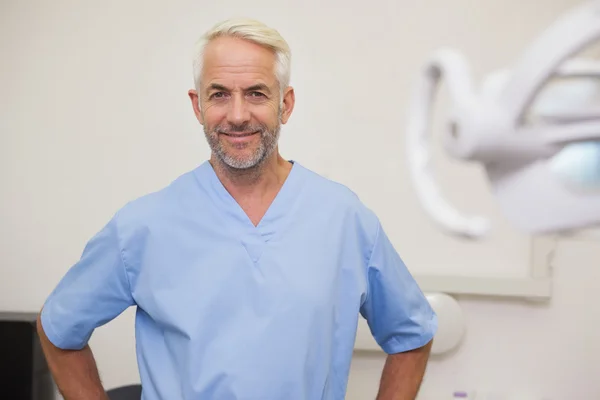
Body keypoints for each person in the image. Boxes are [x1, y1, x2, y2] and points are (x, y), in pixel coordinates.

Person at [36, 17, 437, 400]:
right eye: (219, 94)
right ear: (197, 106)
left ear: (286, 103)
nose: (238, 115)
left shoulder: (343, 219)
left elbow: (412, 334)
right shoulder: (144, 226)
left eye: (257, 93)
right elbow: (59, 329)